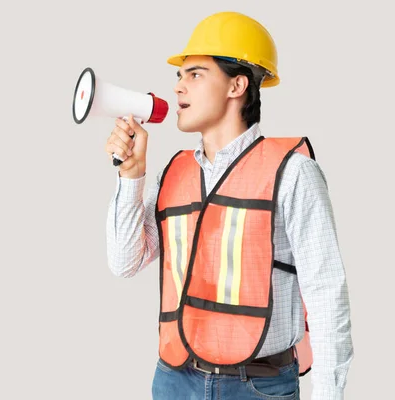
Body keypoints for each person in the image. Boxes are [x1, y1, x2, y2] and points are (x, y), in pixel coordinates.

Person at [104, 11, 353, 400]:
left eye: (195, 74)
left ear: (237, 84)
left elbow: (325, 293)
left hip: (259, 386)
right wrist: (131, 176)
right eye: (179, 76)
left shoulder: (293, 172)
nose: (178, 88)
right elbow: (124, 262)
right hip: (173, 380)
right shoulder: (173, 172)